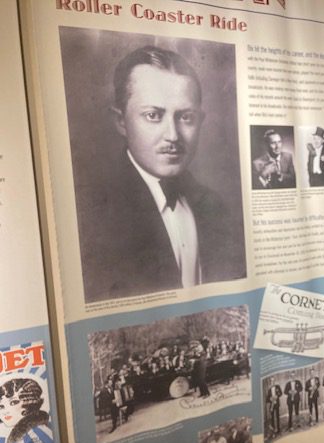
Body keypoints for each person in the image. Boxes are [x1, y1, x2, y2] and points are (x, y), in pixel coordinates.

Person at [77, 45, 246, 302]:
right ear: (121, 121)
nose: (173, 136)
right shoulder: (91, 214)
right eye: (153, 115)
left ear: (200, 120)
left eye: (185, 117)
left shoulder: (216, 207)